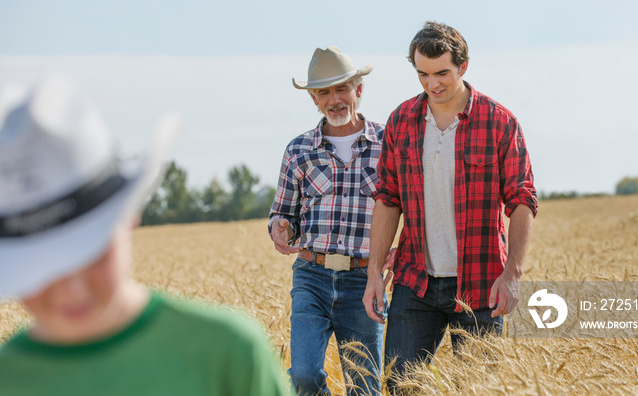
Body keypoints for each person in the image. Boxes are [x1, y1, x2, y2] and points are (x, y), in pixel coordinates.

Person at [0, 80, 291, 396]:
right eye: (40, 264)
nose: (71, 288)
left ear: (128, 217)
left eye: (89, 250)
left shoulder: (229, 354)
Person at [362, 21, 538, 391]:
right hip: (415, 283)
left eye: (442, 72)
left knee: (479, 388)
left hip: (481, 284)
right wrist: (375, 272)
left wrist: (513, 274)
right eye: (422, 74)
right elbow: (388, 199)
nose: (432, 84)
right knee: (400, 386)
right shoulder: (401, 121)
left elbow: (522, 199)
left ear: (463, 66)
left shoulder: (499, 123)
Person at [269, 46, 391, 396]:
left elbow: (408, 208)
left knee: (364, 387)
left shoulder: (388, 144)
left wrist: (400, 249)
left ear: (359, 90)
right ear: (314, 99)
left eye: (342, 89)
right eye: (324, 92)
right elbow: (284, 212)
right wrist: (281, 227)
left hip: (364, 281)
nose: (334, 99)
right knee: (304, 376)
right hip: (312, 276)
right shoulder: (298, 150)